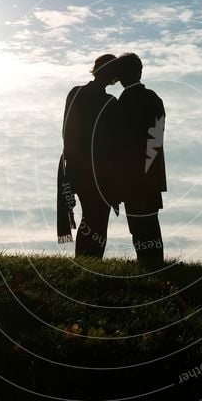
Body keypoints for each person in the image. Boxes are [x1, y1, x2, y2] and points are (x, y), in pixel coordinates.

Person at [58, 54, 119, 258]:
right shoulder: (109, 101)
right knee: (97, 215)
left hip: (79, 165)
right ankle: (89, 258)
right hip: (94, 168)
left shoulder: (77, 93)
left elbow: (67, 130)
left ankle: (88, 258)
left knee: (94, 214)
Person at [115, 53, 166, 265]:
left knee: (138, 223)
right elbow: (157, 136)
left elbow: (119, 142)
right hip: (151, 172)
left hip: (133, 175)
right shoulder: (153, 98)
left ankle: (147, 262)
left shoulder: (124, 102)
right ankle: (152, 262)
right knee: (149, 222)